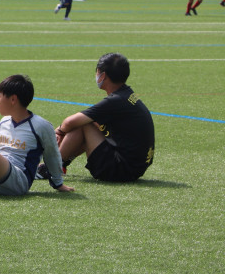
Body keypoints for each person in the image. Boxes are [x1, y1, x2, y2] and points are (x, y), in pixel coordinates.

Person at [48, 52, 155, 183]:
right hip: (134, 168)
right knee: (92, 123)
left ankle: (50, 169)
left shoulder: (116, 100)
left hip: (120, 170)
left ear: (103, 75)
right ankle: (62, 164)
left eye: (97, 71)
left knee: (83, 123)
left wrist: (59, 131)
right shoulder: (125, 95)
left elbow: (70, 122)